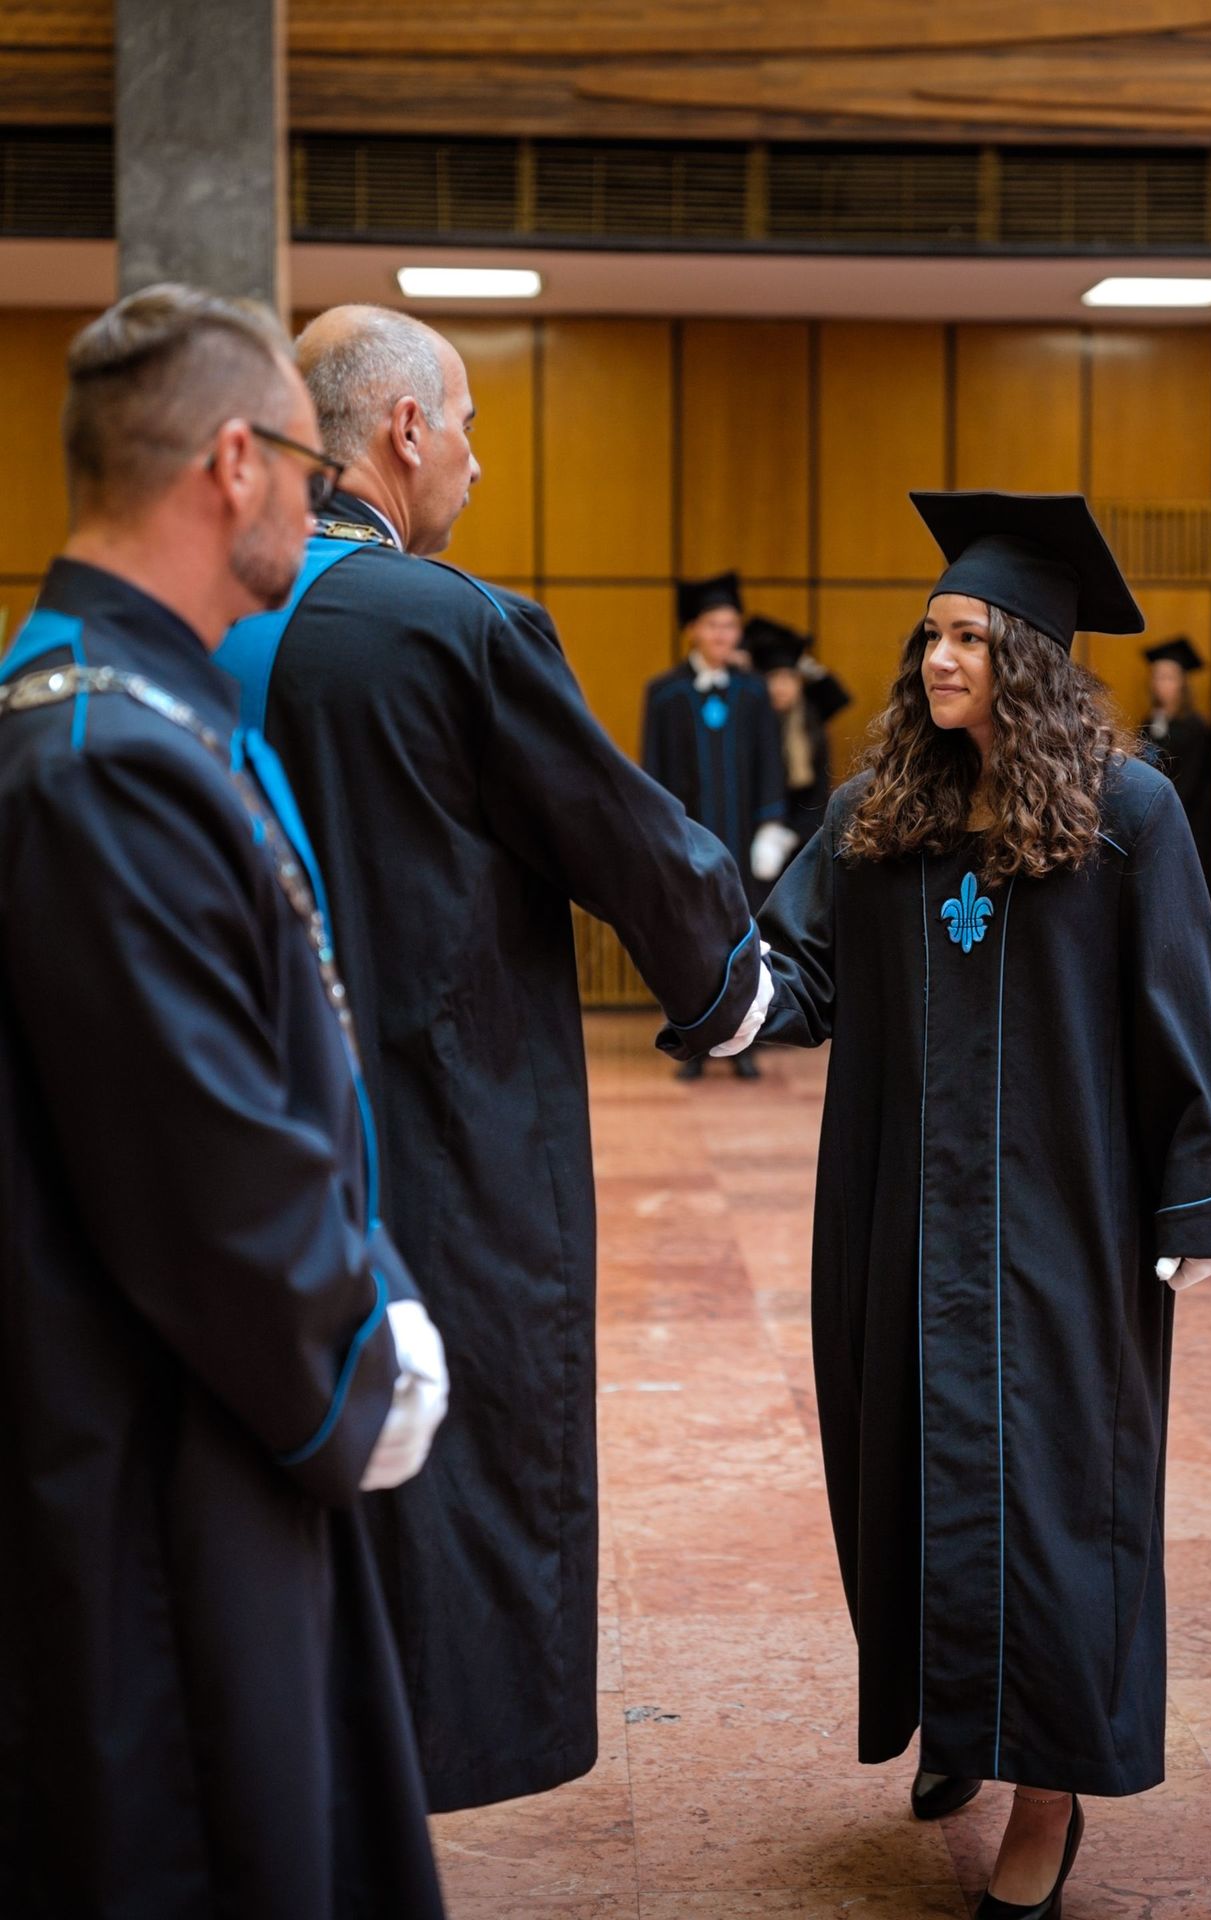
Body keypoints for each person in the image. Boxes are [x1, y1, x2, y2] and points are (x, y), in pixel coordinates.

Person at [217, 305, 769, 1814]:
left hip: (239, 1125)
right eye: (464, 423)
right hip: (437, 1124)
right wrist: (736, 988)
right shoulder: (453, 624)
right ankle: (422, 1771)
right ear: (404, 429)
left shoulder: (210, 620)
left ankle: (284, 1767)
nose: (475, 458)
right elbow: (622, 839)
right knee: (449, 1434)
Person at [667, 491, 1211, 1919]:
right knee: (912, 1474)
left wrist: (1196, 1201)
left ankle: (1046, 1793)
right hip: (902, 1217)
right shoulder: (878, 816)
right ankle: (958, 1718)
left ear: (1031, 658)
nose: (939, 659)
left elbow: (1182, 1009)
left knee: (1056, 1497)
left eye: (972, 639)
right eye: (931, 634)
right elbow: (797, 972)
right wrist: (713, 982)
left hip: (1064, 1225)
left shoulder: (1126, 816)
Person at [0, 287, 450, 1917]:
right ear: (231, 463)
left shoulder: (134, 702)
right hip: (159, 1458)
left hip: (202, 1416)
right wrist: (363, 1349)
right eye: (310, 466)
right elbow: (203, 1166)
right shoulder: (101, 754)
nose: (322, 500)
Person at [642, 572, 790, 1078]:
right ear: (693, 631)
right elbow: (653, 770)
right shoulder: (665, 694)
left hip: (742, 843)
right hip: (688, 844)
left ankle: (743, 1044)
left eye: (731, 626)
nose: (724, 635)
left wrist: (771, 825)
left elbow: (770, 761)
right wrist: (659, 837)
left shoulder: (753, 693)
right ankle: (693, 1043)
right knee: (688, 941)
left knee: (742, 939)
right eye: (714, 625)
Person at [743, 613, 852, 858]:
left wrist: (793, 835)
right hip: (756, 834)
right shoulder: (749, 720)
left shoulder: (810, 718)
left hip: (802, 834)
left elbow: (838, 696)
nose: (781, 687)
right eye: (773, 678)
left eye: (789, 678)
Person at [1138, 636, 1211, 895]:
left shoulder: (1196, 728)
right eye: (1157, 676)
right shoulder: (1149, 723)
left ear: (1182, 682)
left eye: (1168, 677)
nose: (1161, 684)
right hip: (1153, 819)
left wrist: (1160, 808)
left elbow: (1190, 782)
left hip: (1185, 819)